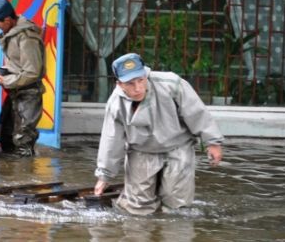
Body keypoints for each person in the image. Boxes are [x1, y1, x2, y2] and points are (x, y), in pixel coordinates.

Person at [93, 53, 224, 215]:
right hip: (141, 150)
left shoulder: (171, 83)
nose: (138, 88)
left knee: (177, 207)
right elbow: (111, 140)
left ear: (146, 75)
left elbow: (196, 112)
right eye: (130, 83)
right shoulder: (115, 103)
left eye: (141, 80)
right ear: (119, 84)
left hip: (178, 146)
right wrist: (105, 176)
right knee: (137, 207)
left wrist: (213, 142)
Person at [0, 0, 45, 157]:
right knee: (5, 134)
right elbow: (18, 64)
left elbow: (33, 71)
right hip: (16, 92)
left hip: (29, 94)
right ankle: (8, 178)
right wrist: (5, 72)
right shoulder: (11, 32)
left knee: (22, 140)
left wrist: (7, 80)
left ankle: (24, 177)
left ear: (8, 19)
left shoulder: (26, 37)